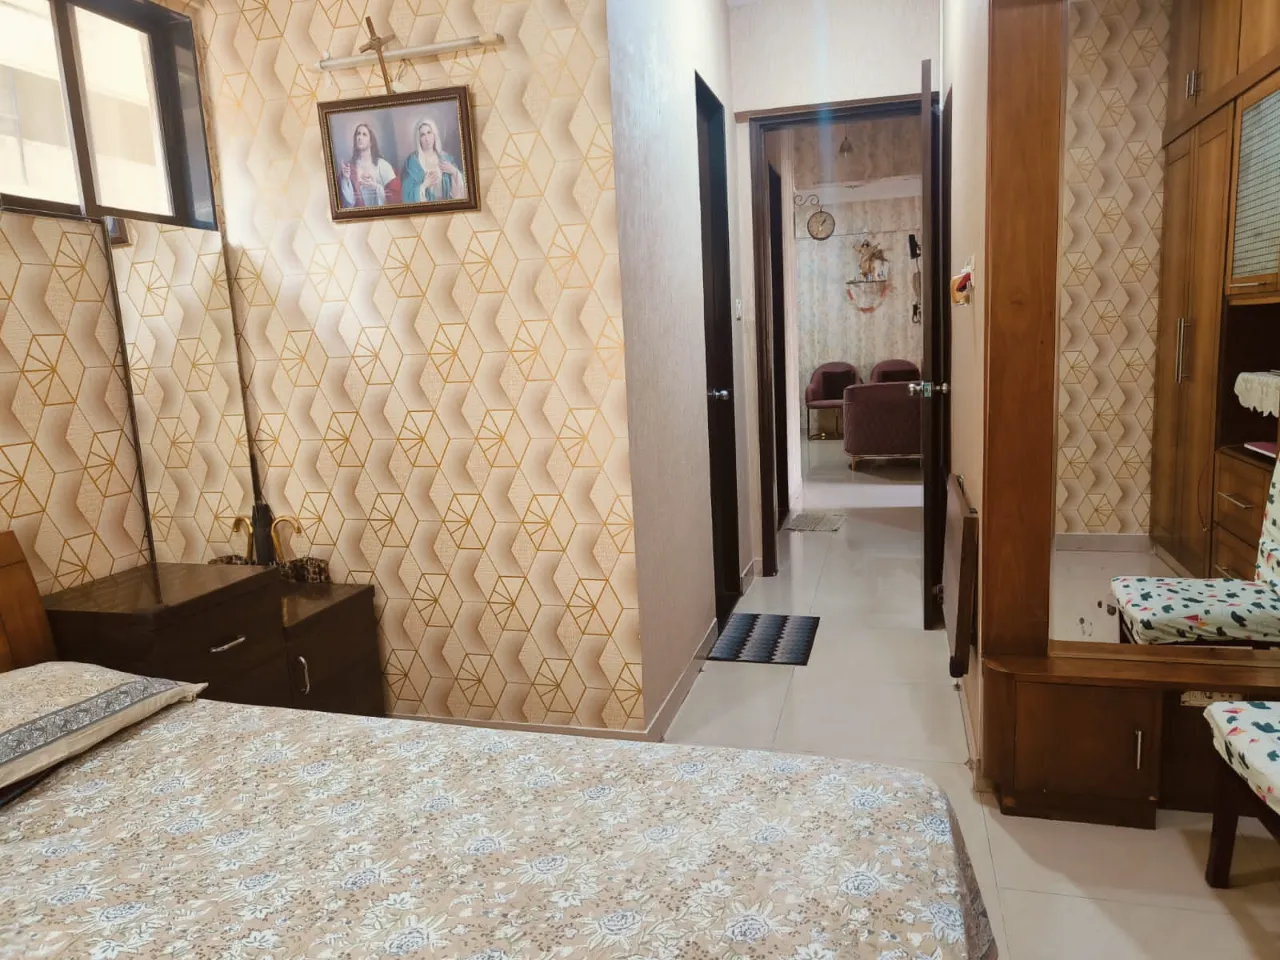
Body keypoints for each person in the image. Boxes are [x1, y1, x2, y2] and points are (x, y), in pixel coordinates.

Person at [400, 117, 466, 203]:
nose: (427, 139)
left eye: (429, 132)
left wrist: (454, 172)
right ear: (418, 139)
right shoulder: (412, 162)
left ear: (434, 134)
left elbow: (463, 190)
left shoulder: (445, 158)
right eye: (422, 135)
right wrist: (424, 185)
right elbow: (407, 193)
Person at [338, 122, 400, 208]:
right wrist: (346, 179)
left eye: (364, 134)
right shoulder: (349, 167)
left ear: (371, 142)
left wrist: (376, 187)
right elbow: (348, 203)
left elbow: (395, 197)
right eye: (358, 134)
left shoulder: (383, 166)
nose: (360, 137)